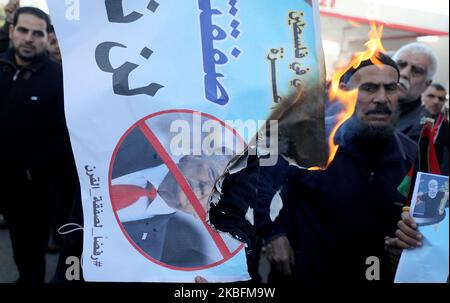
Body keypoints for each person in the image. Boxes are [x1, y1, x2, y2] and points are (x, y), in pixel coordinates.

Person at [0, 7, 74, 284]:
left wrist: (35, 167)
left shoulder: (59, 78)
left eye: (37, 33)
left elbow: (65, 133)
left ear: (47, 38)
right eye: (22, 30)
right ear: (11, 31)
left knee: (28, 251)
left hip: (32, 189)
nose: (28, 38)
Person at [393, 42, 438, 142]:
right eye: (400, 65)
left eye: (417, 70)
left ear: (426, 85)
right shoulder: (362, 103)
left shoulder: (424, 125)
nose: (404, 74)